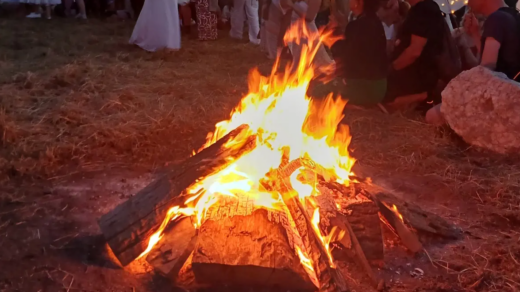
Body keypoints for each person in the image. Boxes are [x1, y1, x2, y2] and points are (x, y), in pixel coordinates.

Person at [384, 0, 445, 108]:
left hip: (418, 75)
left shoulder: (423, 9)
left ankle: (424, 96)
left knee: (383, 96)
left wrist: (391, 68)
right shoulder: (420, 9)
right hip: (416, 72)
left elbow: (414, 51)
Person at [331, 0, 388, 107]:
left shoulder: (357, 25)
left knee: (317, 91)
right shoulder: (375, 21)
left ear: (359, 2)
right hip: (380, 87)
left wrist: (333, 32)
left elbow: (345, 61)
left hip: (364, 88)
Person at [462, 0, 520, 80]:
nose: (468, 3)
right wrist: (475, 33)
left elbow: (486, 70)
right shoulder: (512, 15)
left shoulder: (496, 19)